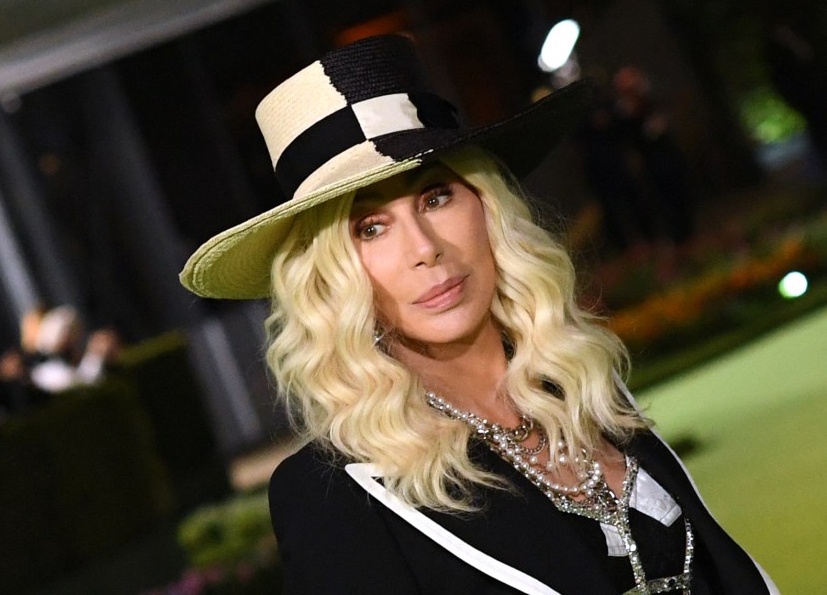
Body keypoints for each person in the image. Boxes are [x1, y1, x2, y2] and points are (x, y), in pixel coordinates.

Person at [180, 35, 778, 594]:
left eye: (436, 197)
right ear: (329, 276)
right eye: (370, 228)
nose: (424, 249)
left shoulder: (583, 390)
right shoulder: (334, 495)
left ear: (487, 207)